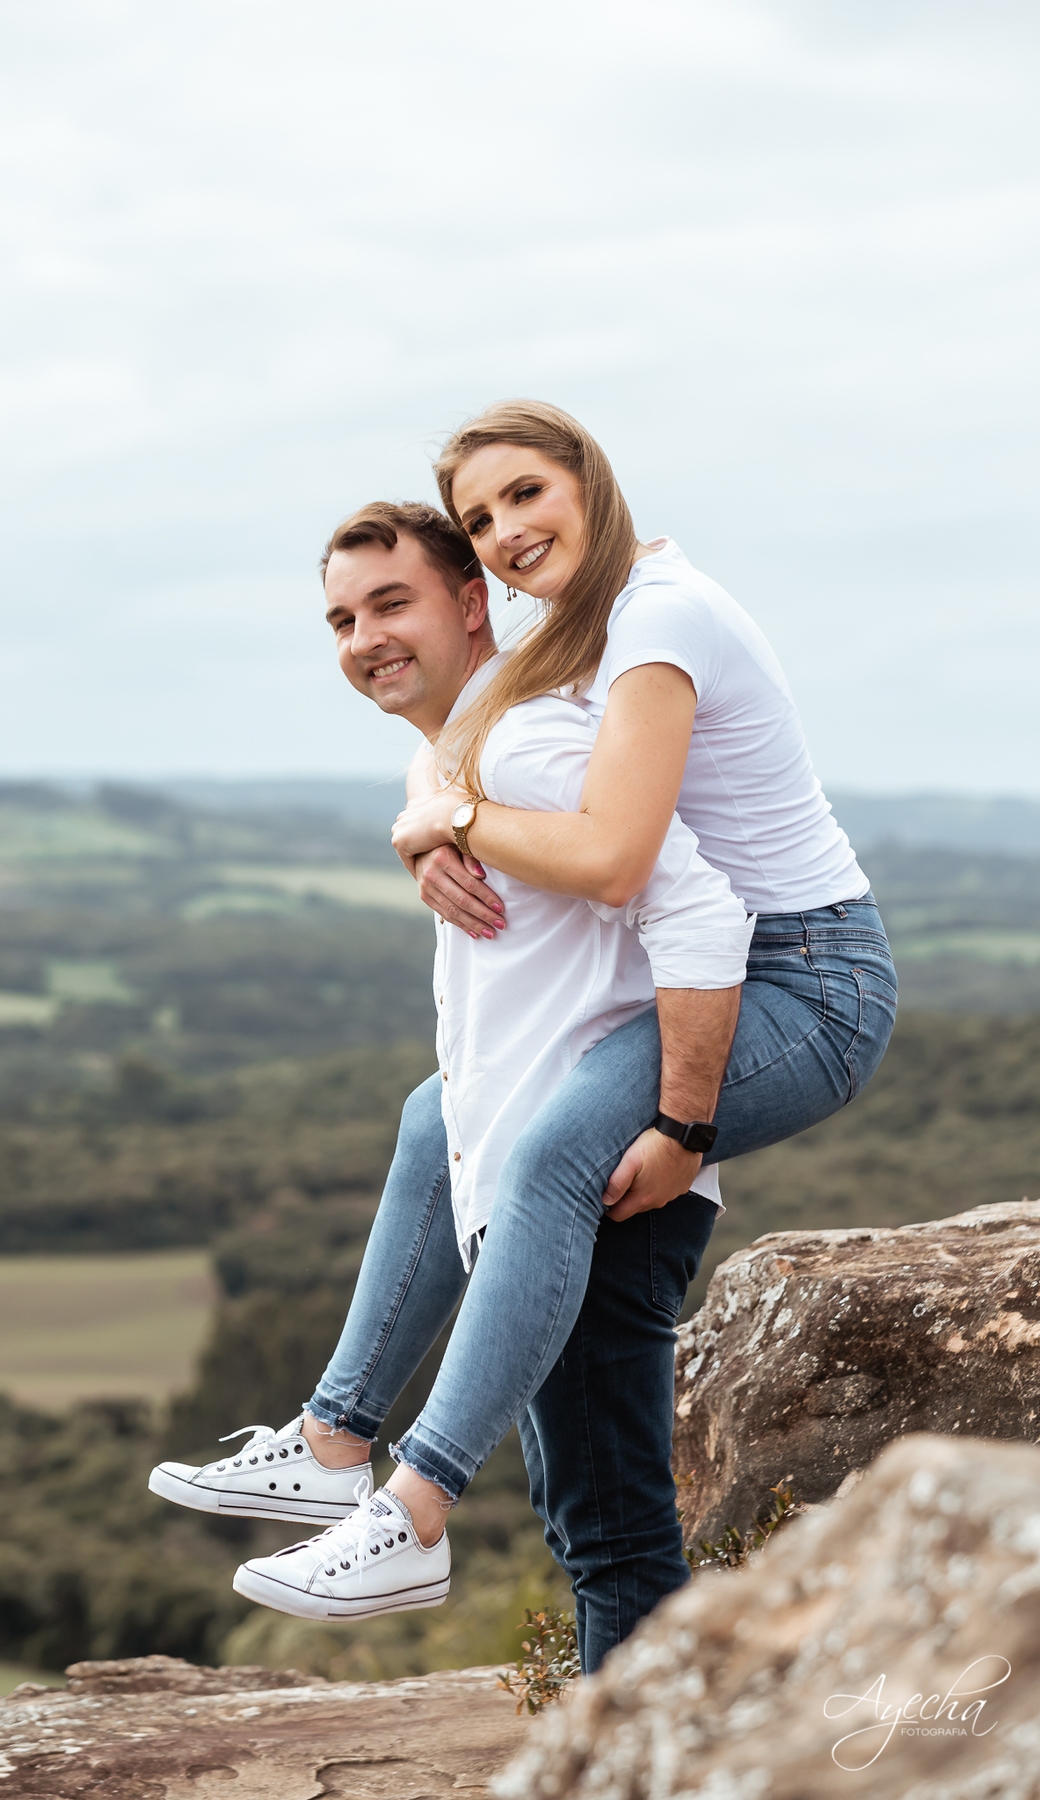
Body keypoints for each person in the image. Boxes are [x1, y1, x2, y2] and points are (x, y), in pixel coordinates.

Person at [153, 405, 897, 1670]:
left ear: (589, 480)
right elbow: (477, 736)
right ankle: (338, 1440)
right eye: (482, 515)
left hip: (804, 977)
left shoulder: (652, 620)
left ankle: (415, 1503)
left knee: (552, 1170)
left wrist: (682, 1123)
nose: (506, 531)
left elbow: (624, 861)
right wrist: (429, 814)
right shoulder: (575, 641)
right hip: (709, 984)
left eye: (525, 494)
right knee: (437, 1114)